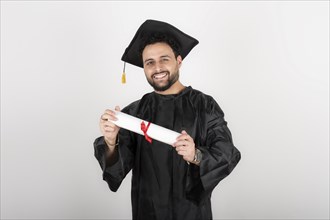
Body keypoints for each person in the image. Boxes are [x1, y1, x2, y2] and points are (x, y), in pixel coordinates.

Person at [94, 19, 241, 220]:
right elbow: (116, 170)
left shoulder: (204, 105)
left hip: (191, 212)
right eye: (150, 62)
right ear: (144, 68)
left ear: (178, 60)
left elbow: (228, 154)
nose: (158, 68)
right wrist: (111, 141)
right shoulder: (134, 114)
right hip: (147, 211)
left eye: (164, 59)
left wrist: (195, 155)